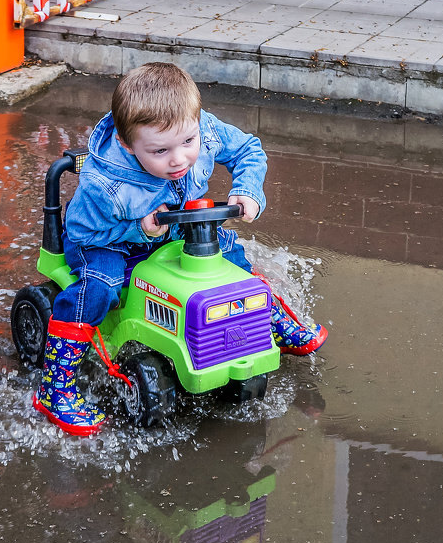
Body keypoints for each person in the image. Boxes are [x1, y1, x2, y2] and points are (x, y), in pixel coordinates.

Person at [35, 62, 327, 436]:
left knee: (228, 257)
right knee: (99, 288)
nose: (178, 160)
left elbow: (249, 151)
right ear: (127, 144)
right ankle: (56, 386)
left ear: (197, 123)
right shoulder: (103, 181)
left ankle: (269, 318)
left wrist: (247, 190)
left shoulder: (203, 131)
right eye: (160, 151)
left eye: (188, 143)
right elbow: (80, 229)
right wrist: (136, 226)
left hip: (172, 226)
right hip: (104, 240)